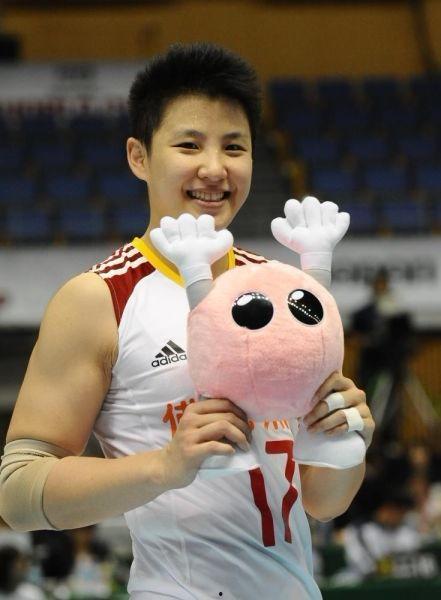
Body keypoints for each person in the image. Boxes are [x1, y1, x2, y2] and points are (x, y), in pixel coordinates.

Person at [0, 43, 374, 599]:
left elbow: (323, 501)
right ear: (138, 157)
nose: (215, 169)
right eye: (189, 145)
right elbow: (17, 493)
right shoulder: (100, 298)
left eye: (234, 146)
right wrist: (166, 466)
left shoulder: (282, 290)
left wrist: (347, 436)